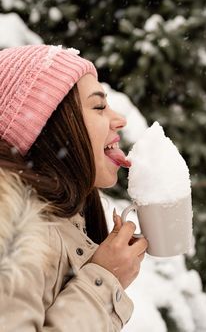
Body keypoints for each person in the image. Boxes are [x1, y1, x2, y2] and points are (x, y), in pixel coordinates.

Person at [0, 44, 148, 331]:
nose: (119, 119)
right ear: (50, 127)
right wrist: (104, 280)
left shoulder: (62, 221)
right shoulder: (10, 231)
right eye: (99, 106)